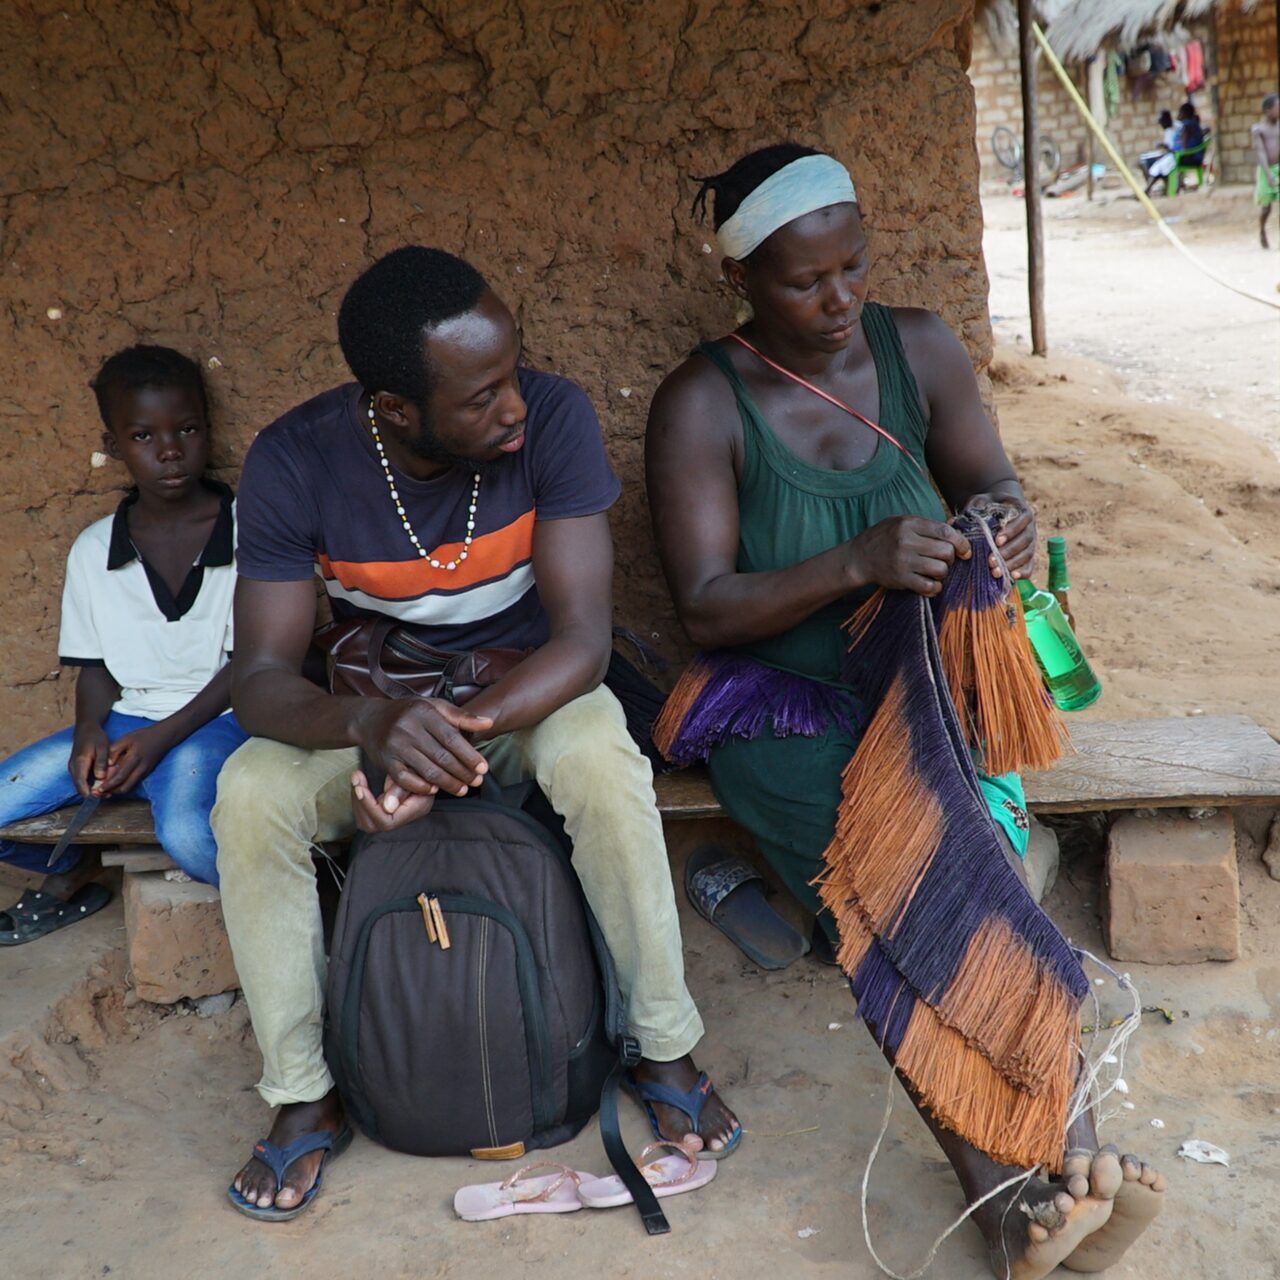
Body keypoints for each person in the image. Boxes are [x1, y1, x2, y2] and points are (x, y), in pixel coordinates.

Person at [645, 144, 1165, 1278]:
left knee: (978, 864)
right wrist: (857, 560)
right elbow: (706, 607)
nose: (837, 300)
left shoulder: (916, 346)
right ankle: (1008, 1199)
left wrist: (1007, 522)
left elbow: (994, 483)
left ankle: (1059, 1179)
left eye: (852, 268)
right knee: (894, 894)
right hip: (779, 706)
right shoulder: (701, 402)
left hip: (932, 683)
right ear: (742, 281)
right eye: (802, 281)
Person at [216, 246, 739, 1220]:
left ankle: (662, 1040)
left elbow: (581, 638)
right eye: (483, 393)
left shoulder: (555, 419)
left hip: (521, 695)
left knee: (596, 753)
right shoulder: (294, 460)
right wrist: (374, 726)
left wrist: (451, 735)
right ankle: (301, 1091)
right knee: (249, 793)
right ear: (396, 409)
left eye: (512, 373)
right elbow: (255, 681)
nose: (514, 408)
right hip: (373, 709)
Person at [0, 346, 245, 944]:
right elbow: (97, 668)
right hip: (126, 719)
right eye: (143, 435)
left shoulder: (249, 530)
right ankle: (69, 871)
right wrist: (90, 731)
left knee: (188, 836)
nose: (169, 450)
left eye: (187, 429)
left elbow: (255, 667)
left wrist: (160, 739)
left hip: (221, 717)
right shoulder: (93, 549)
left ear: (207, 429)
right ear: (114, 446)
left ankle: (312, 903)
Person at [1146, 102, 1205, 193]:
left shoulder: (1186, 126)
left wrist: (1174, 151)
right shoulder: (1193, 124)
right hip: (1192, 157)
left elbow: (1183, 147)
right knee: (1163, 163)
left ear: (1185, 114)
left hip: (1187, 158)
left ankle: (1155, 190)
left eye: (1180, 113)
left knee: (1161, 165)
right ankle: (1167, 189)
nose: (1178, 115)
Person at [1253, 93, 1280, 248]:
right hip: (1265, 170)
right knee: (1266, 207)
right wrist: (1269, 174)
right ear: (1268, 110)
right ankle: (1262, 230)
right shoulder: (1259, 129)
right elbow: (1261, 152)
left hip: (1278, 167)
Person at [1137, 109, 1176, 179]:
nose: (1161, 124)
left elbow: (1172, 149)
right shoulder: (1169, 130)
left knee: (1143, 161)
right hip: (1169, 156)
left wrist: (1163, 146)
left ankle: (1150, 182)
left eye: (1161, 121)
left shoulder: (1171, 130)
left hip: (1171, 158)